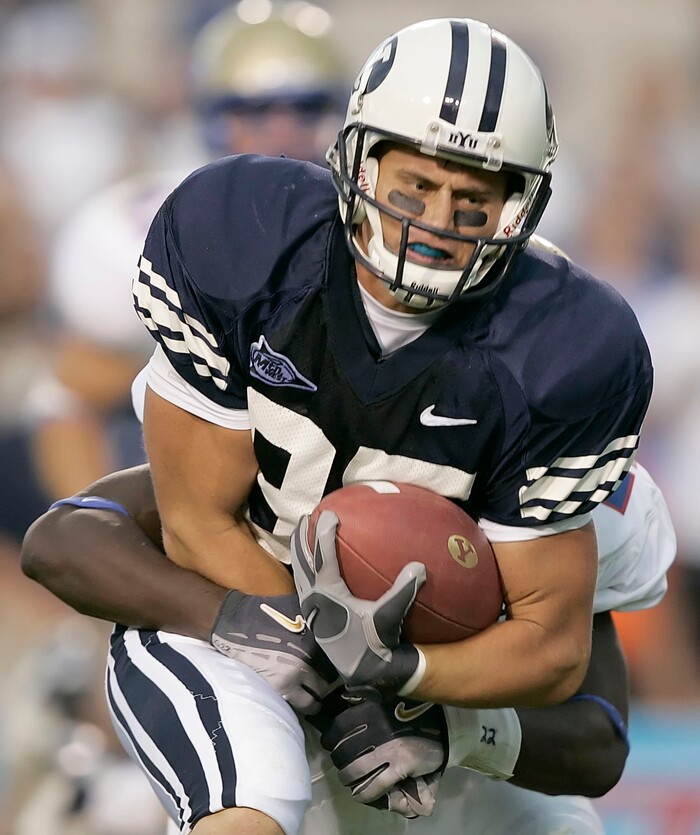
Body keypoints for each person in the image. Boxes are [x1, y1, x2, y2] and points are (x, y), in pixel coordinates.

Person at [29, 16, 654, 835]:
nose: (435, 221)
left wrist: (435, 704)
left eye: (472, 200)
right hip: (243, 619)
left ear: (517, 208)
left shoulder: (569, 358)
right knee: (242, 812)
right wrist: (304, 646)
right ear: (358, 161)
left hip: (447, 693)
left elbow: (574, 691)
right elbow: (168, 522)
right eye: (414, 187)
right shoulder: (246, 245)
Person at [20, 457, 675, 834]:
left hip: (452, 773)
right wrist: (240, 616)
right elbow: (62, 538)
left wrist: (461, 728)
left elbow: (601, 737)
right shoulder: (334, 432)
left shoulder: (571, 483)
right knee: (252, 803)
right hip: (293, 731)